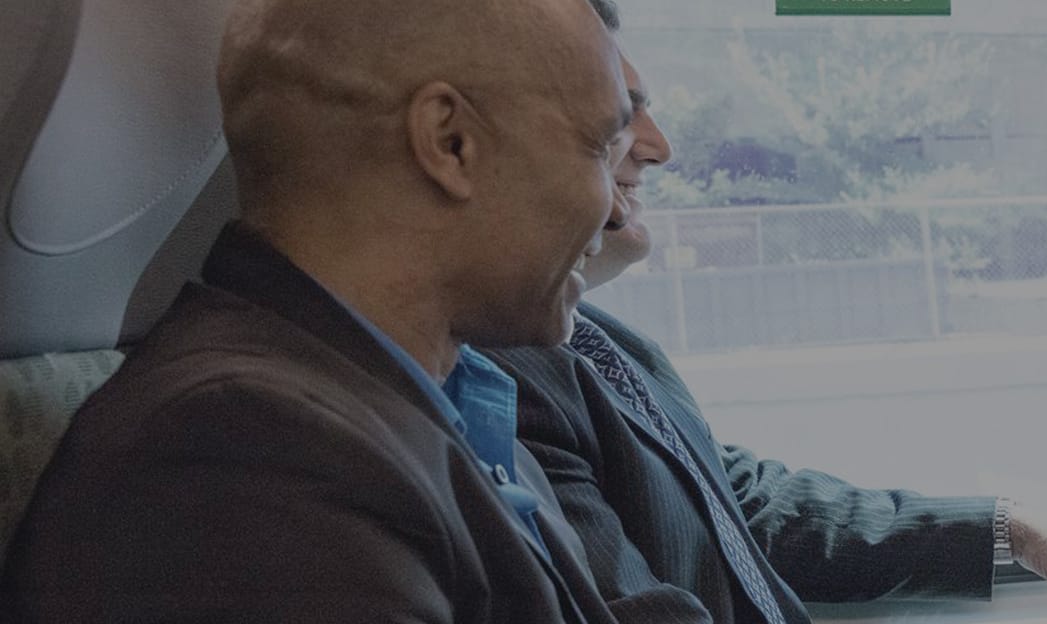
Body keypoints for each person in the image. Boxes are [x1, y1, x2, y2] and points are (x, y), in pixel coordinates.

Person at [480, 3, 1047, 623]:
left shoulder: (608, 344)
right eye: (619, 115)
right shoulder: (501, 386)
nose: (659, 146)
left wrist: (1014, 528)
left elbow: (744, 506)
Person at [0, 0, 639, 621]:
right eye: (594, 148)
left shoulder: (447, 404)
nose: (613, 209)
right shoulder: (245, 457)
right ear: (451, 141)